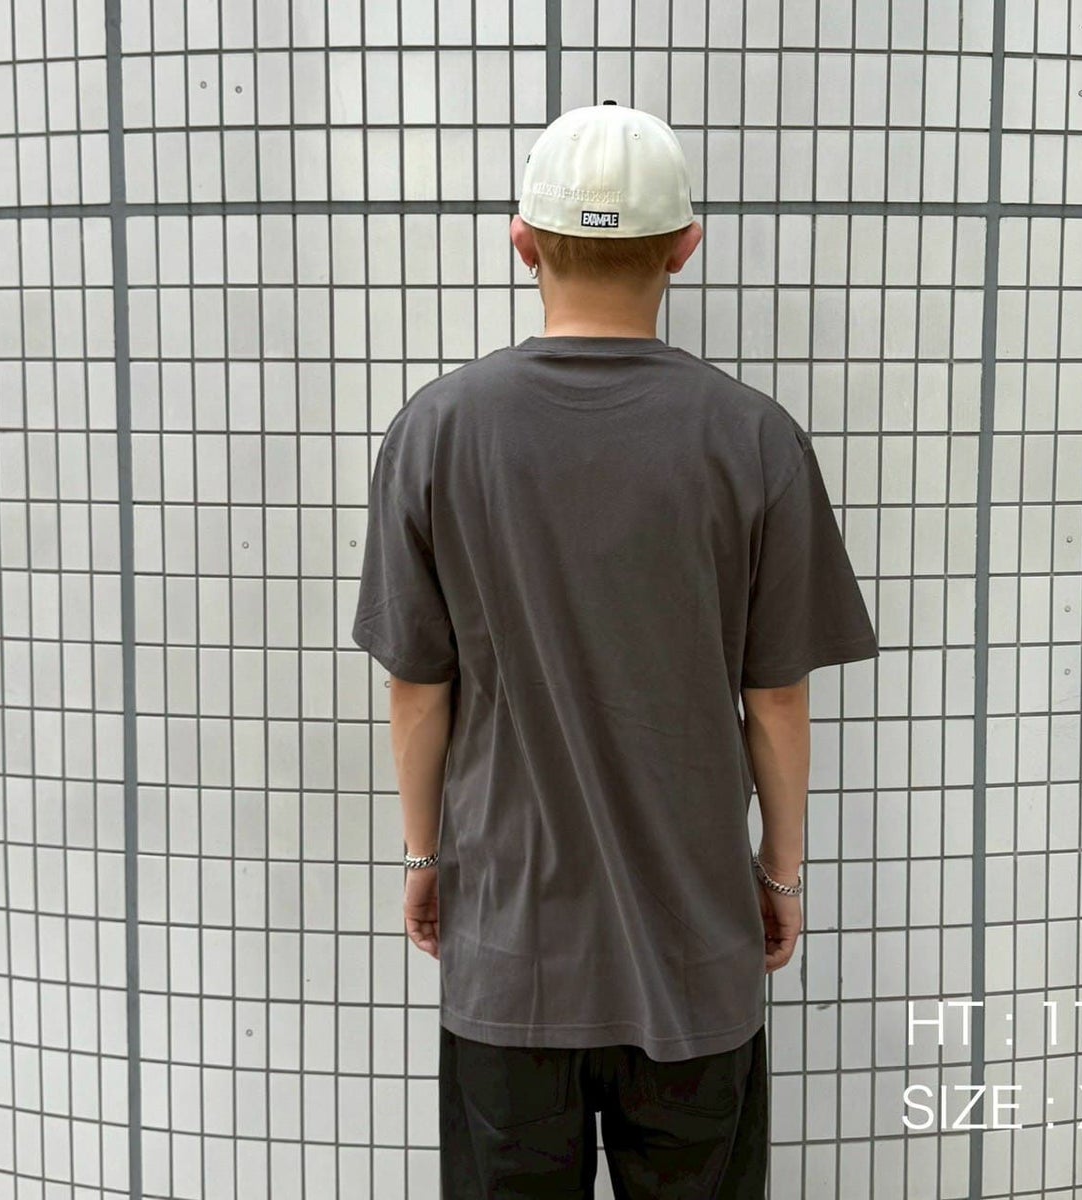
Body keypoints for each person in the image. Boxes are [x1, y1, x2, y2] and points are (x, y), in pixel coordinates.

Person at [351, 102, 880, 1199]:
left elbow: (418, 689)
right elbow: (776, 703)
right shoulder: (756, 439)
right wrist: (778, 874)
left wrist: (423, 860)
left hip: (510, 961)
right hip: (695, 960)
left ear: (522, 241)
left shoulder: (437, 430)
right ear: (686, 247)